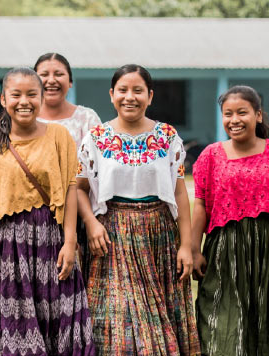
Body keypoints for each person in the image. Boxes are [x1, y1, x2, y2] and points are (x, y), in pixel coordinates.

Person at [0, 67, 95, 356]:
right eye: (16, 95)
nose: (24, 101)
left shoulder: (59, 137)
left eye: (32, 94)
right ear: (3, 100)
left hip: (51, 243)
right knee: (9, 328)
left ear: (41, 98)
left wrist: (70, 243)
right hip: (3, 249)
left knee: (58, 323)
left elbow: (71, 190)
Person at [77, 64, 200, 355]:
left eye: (137, 91)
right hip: (111, 236)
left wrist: (186, 246)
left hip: (159, 235)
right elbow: (79, 189)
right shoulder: (95, 138)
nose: (129, 97)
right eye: (122, 90)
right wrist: (92, 224)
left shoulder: (168, 137)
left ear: (150, 96)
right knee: (118, 315)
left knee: (158, 314)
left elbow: (180, 192)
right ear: (111, 94)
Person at [192, 85, 269, 355]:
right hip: (225, 254)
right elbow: (200, 205)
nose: (234, 120)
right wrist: (193, 249)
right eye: (227, 114)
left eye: (242, 112)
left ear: (258, 115)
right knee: (223, 323)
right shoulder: (210, 155)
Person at [34, 52, 102, 274]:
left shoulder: (87, 119)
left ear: (70, 82)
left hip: (80, 215)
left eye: (59, 74)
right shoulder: (23, 118)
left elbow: (97, 172)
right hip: (34, 215)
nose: (51, 80)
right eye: (44, 74)